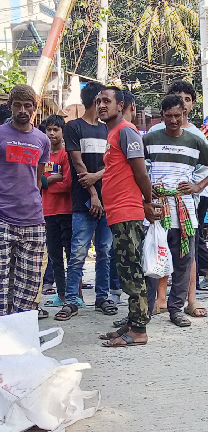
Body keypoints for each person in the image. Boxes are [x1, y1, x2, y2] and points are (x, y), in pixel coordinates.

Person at [143, 95, 208, 327]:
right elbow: (135, 166)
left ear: (184, 115)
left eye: (177, 116)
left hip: (185, 210)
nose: (173, 120)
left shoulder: (194, 140)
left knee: (183, 262)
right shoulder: (149, 139)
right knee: (151, 260)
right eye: (168, 116)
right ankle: (145, 311)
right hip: (156, 212)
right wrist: (146, 192)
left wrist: (199, 186)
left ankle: (176, 310)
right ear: (162, 116)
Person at [96, 86, 161, 347]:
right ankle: (133, 323)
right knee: (126, 269)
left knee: (131, 270)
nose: (101, 105)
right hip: (117, 213)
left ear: (120, 105)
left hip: (127, 212)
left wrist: (147, 202)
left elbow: (141, 172)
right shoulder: (114, 133)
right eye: (99, 101)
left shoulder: (126, 131)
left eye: (107, 101)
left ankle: (139, 331)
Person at [61, 81, 118, 320]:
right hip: (83, 201)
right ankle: (71, 300)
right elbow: (78, 165)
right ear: (95, 100)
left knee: (105, 252)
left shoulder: (109, 131)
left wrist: (98, 182)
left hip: (109, 203)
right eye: (102, 99)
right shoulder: (73, 127)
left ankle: (102, 297)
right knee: (77, 253)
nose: (104, 103)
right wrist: (94, 195)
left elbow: (114, 164)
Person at [0, 85, 49, 316]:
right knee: (2, 285)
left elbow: (37, 180)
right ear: (9, 107)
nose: (22, 110)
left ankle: (21, 337)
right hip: (3, 218)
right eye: (17, 105)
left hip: (33, 220)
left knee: (28, 286)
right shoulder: (1, 134)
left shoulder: (42, 139)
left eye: (27, 105)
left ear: (34, 108)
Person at [40, 115, 73, 315]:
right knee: (54, 256)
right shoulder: (41, 155)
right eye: (49, 130)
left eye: (56, 130)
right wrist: (51, 180)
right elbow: (38, 182)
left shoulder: (65, 155)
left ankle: (72, 294)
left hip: (66, 211)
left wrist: (45, 182)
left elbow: (68, 184)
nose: (51, 134)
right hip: (47, 211)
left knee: (71, 255)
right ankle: (61, 294)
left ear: (62, 132)